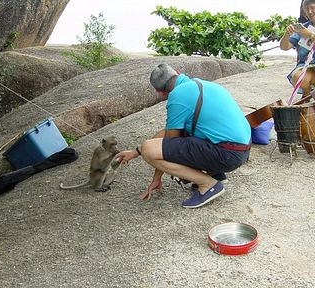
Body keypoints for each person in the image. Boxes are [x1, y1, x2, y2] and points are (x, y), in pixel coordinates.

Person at [115, 64, 251, 209]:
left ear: (160, 92)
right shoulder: (203, 84)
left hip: (227, 154)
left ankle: (208, 184)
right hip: (240, 150)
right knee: (159, 140)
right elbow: (165, 137)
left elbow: (169, 144)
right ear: (178, 73)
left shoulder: (177, 95)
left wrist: (156, 175)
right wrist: (135, 152)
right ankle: (215, 174)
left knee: (149, 149)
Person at [280, 0, 315, 98]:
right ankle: (307, 95)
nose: (310, 11)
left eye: (312, 7)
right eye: (307, 9)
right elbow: (284, 47)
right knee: (299, 77)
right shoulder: (302, 28)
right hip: (308, 68)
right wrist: (287, 34)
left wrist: (310, 35)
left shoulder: (305, 31)